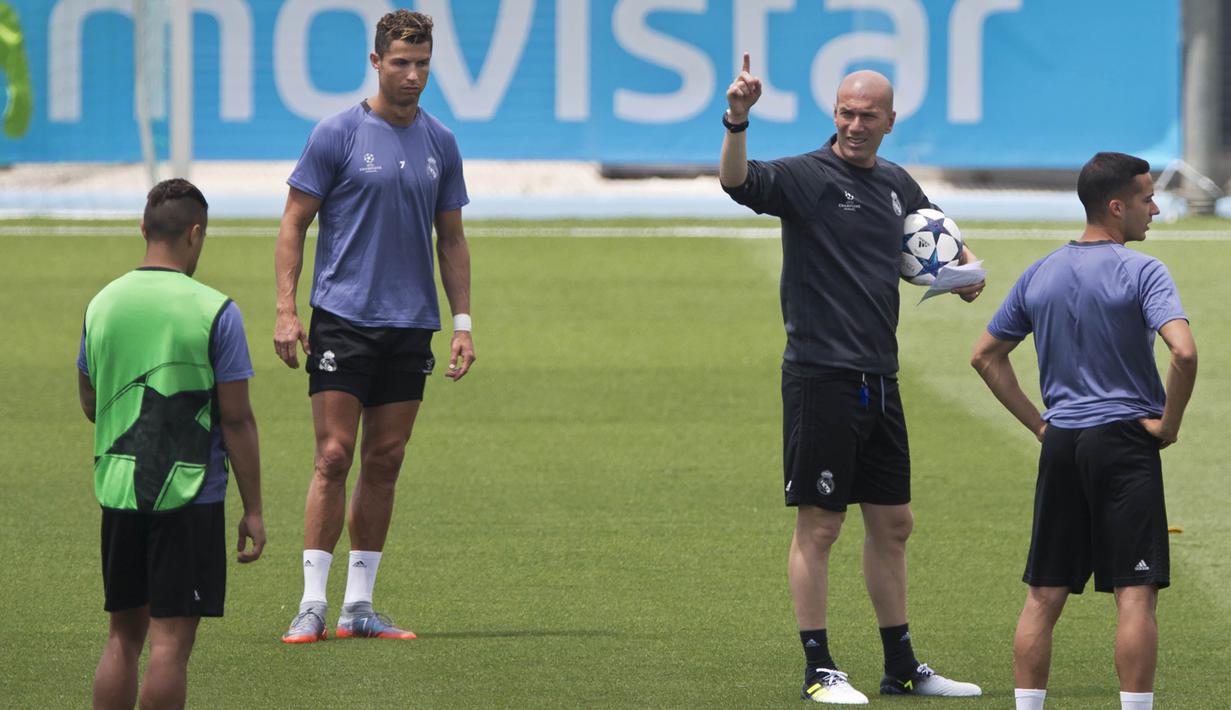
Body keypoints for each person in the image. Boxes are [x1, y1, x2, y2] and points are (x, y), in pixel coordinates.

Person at [719, 54, 984, 704]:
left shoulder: (896, 183)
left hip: (879, 380)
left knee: (892, 523)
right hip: (821, 378)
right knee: (820, 525)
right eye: (845, 112)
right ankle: (819, 669)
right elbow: (735, 181)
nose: (854, 124)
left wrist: (961, 272)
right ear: (832, 114)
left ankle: (900, 667)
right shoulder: (805, 177)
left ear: (890, 121)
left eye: (867, 115)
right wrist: (737, 119)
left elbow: (949, 248)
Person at [274, 9, 474, 644]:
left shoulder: (441, 141)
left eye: (421, 65)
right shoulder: (336, 133)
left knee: (385, 459)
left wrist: (462, 322)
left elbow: (452, 239)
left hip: (411, 323)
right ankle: (311, 602)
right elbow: (292, 224)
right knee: (334, 455)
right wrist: (285, 307)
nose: (412, 76)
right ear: (376, 62)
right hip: (343, 318)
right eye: (400, 64)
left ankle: (359, 606)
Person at [970, 152, 1197, 710]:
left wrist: (1042, 427)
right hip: (1124, 443)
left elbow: (985, 357)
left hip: (1065, 444)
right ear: (1116, 207)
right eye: (1147, 199)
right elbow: (1184, 353)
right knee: (1135, 594)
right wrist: (1168, 425)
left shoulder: (1041, 271)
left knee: (1044, 595)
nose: (1156, 208)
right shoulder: (1143, 271)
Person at [78, 178, 266, 709]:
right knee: (169, 648)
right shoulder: (216, 311)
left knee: (122, 638)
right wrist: (253, 510)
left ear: (143, 229)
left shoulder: (102, 305)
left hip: (119, 492)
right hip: (190, 497)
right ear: (196, 234)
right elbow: (237, 421)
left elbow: (92, 399)